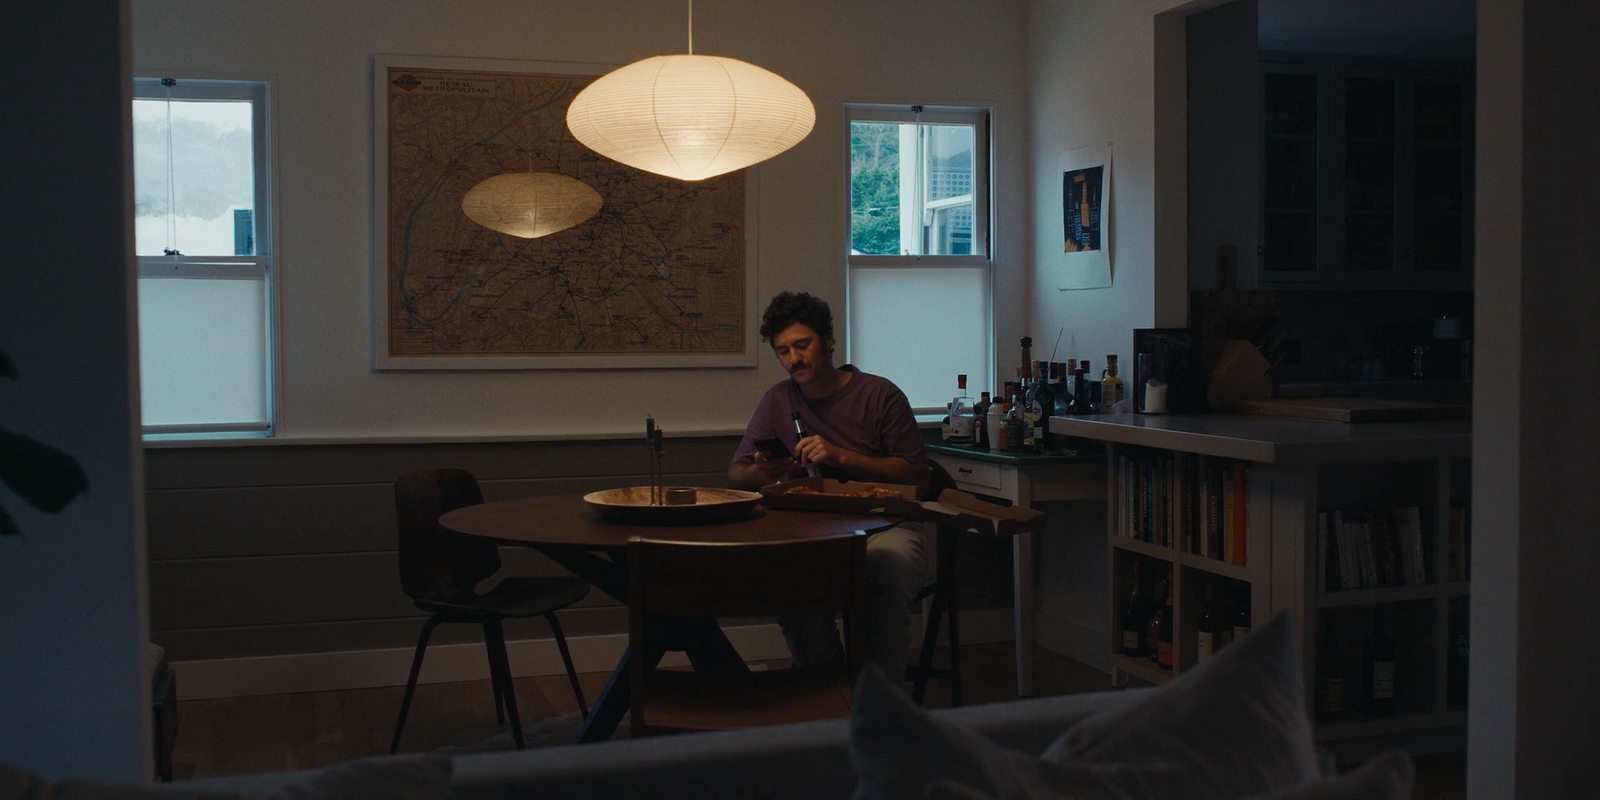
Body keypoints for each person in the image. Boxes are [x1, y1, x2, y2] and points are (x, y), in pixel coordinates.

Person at [728, 291, 930, 682]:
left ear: (830, 339)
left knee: (883, 572)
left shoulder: (880, 394)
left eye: (802, 345)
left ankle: (880, 704)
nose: (793, 360)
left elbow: (917, 475)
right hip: (812, 528)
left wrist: (841, 457)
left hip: (888, 524)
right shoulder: (778, 399)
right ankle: (827, 689)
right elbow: (734, 476)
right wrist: (761, 473)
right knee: (788, 582)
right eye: (782, 351)